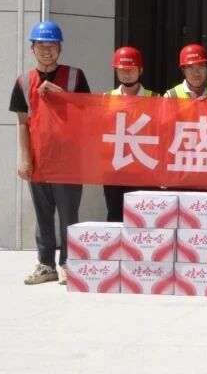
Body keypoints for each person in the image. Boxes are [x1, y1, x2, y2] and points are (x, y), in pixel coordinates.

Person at [11, 21, 91, 285]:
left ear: (60, 48)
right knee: (43, 216)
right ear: (32, 48)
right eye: (41, 46)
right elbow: (23, 123)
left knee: (69, 215)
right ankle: (46, 264)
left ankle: (68, 263)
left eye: (52, 45)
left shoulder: (75, 77)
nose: (47, 51)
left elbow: (87, 113)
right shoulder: (23, 81)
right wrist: (25, 159)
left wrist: (62, 95)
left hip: (69, 161)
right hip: (40, 161)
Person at [104, 47, 156, 224]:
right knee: (115, 219)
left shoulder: (155, 98)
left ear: (140, 70)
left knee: (144, 220)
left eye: (131, 70)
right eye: (122, 70)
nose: (126, 74)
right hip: (114, 171)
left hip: (144, 169)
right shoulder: (105, 99)